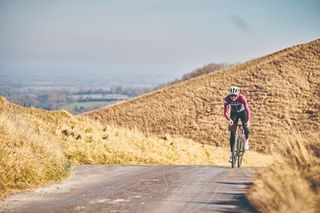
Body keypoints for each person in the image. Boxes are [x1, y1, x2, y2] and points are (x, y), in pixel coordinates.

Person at [223, 86, 251, 163]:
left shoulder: (242, 97)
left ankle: (246, 141)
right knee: (232, 134)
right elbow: (225, 112)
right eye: (231, 95)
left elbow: (248, 109)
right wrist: (229, 120)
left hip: (243, 113)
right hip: (234, 114)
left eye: (235, 95)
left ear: (238, 94)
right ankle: (232, 155)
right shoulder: (227, 99)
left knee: (246, 127)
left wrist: (248, 120)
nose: (233, 97)